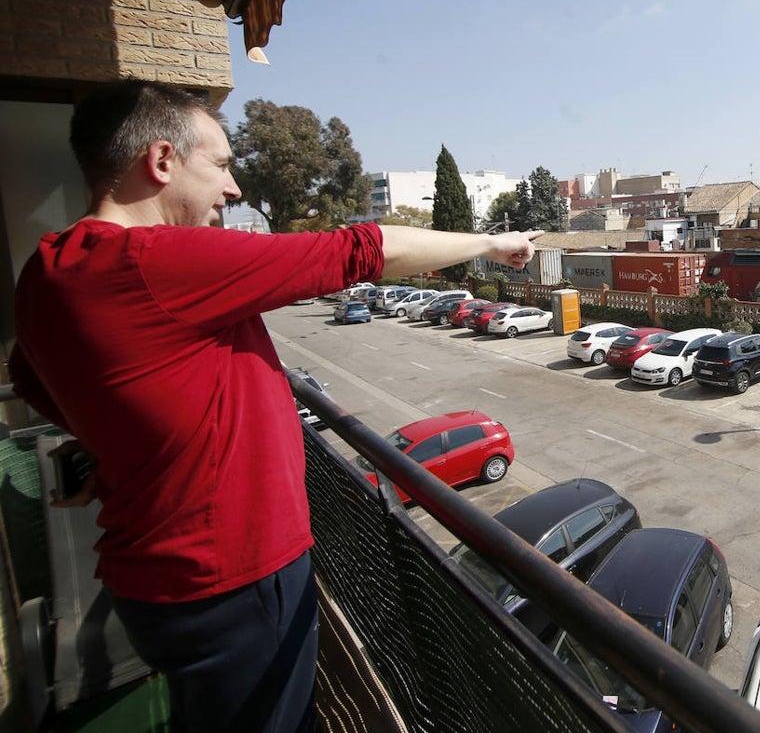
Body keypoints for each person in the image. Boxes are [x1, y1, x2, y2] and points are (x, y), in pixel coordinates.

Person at [8, 80, 542, 732]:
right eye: (224, 165)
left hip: (153, 582)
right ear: (161, 161)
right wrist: (490, 243)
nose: (233, 190)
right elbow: (363, 250)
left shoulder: (47, 269)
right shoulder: (158, 260)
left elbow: (35, 381)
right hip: (229, 578)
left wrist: (112, 439)